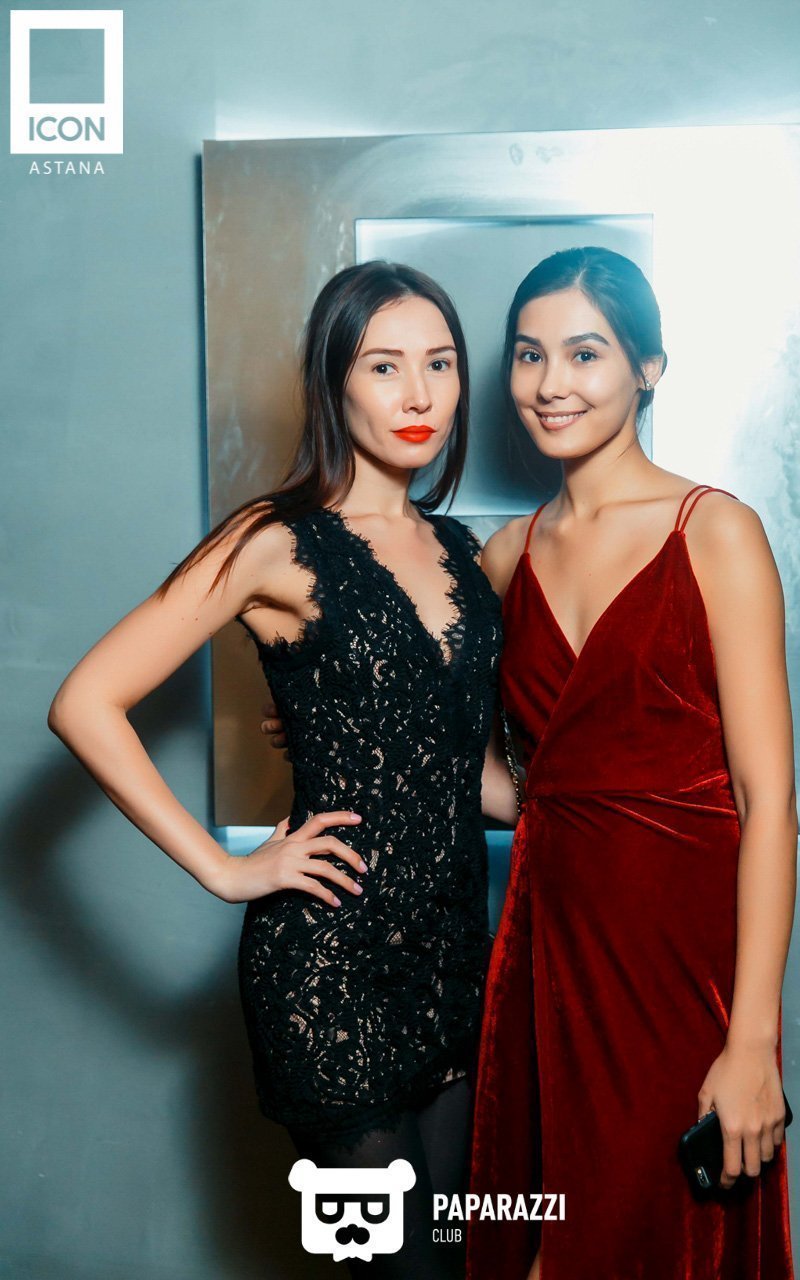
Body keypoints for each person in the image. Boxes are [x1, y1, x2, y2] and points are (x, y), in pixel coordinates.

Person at [47, 260, 516, 1280]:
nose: (418, 393)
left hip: (452, 961)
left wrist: (626, 792)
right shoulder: (272, 542)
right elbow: (85, 701)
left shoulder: (459, 549)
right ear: (333, 381)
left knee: (454, 1261)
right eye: (383, 365)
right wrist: (226, 868)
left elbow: (473, 777)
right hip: (328, 967)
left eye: (439, 363)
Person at [463, 247, 798, 1279]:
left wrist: (749, 1042)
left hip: (678, 971)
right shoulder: (505, 557)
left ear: (648, 367)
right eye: (528, 355)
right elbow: (521, 791)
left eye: (584, 353)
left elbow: (767, 799)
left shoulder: (715, 531)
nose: (550, 383)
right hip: (544, 958)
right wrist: (352, 733)